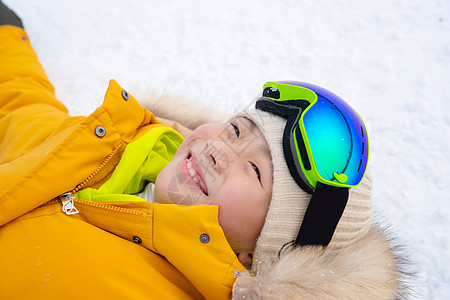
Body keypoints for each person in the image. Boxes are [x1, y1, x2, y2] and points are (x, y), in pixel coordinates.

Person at [0, 2, 409, 299]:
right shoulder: (111, 148)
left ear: (258, 253)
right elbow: (22, 106)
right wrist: (6, 34)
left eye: (255, 172)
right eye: (235, 129)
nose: (219, 150)